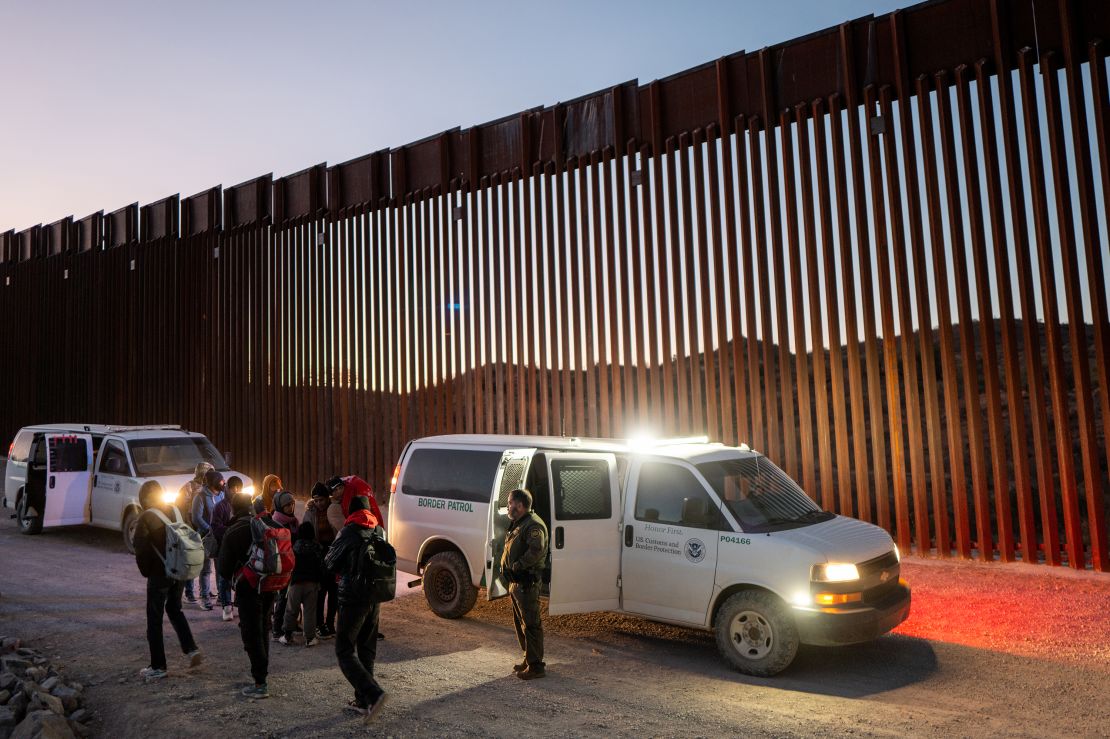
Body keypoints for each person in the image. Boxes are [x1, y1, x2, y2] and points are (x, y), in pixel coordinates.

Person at [325, 496, 388, 721]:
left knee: (344, 650)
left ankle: (373, 694)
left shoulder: (349, 531)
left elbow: (329, 562)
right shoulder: (379, 530)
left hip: (353, 598)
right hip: (375, 598)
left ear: (350, 511)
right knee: (366, 648)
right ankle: (364, 701)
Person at [133, 487, 203, 680]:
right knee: (174, 608)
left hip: (159, 574)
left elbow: (140, 549)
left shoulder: (146, 517)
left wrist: (147, 572)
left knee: (154, 619)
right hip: (179, 571)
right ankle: (191, 649)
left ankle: (158, 666)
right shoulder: (176, 510)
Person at [219, 500, 279, 699]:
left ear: (233, 509)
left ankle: (260, 682)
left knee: (252, 633)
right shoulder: (269, 524)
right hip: (270, 585)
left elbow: (224, 570)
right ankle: (261, 674)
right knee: (263, 627)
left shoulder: (234, 531)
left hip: (248, 588)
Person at [501, 488, 549, 680]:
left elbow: (536, 550)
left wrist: (518, 566)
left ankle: (536, 666)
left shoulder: (533, 525)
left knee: (531, 624)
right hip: (517, 583)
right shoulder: (519, 523)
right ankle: (528, 659)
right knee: (521, 624)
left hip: (526, 583)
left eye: (510, 502)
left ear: (520, 506)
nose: (508, 505)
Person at [280, 521, 325, 646]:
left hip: (295, 583)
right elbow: (322, 567)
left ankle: (287, 635)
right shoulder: (317, 548)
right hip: (312, 583)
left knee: (291, 610)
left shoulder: (294, 547)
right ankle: (310, 638)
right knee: (310, 611)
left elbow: (289, 565)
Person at [211, 477, 248, 622]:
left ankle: (237, 602)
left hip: (240, 548)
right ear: (228, 489)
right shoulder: (220, 506)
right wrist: (231, 532)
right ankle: (226, 606)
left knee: (240, 575)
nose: (236, 491)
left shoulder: (244, 504)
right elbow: (214, 527)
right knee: (224, 577)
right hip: (224, 547)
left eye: (239, 488)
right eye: (233, 488)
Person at [304, 482, 338, 638]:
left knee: (334, 591)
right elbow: (307, 533)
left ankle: (330, 623)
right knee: (321, 591)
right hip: (319, 555)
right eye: (316, 500)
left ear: (327, 498)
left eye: (321, 500)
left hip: (334, 553)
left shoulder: (334, 509)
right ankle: (319, 623)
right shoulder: (310, 512)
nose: (319, 503)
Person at [190, 470, 226, 611]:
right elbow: (196, 518)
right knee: (205, 569)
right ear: (214, 483)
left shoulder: (222, 495)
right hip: (205, 538)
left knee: (220, 568)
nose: (223, 483)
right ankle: (204, 598)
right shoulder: (200, 497)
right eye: (221, 480)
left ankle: (221, 596)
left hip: (219, 536)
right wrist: (209, 529)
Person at [178, 461, 214, 604]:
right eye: (207, 473)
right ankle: (189, 592)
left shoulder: (209, 488)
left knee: (206, 562)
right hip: (191, 528)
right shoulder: (189, 487)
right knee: (192, 562)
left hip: (203, 529)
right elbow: (181, 507)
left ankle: (204, 590)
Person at [270, 491, 299, 641]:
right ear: (279, 506)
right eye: (286, 505)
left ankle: (292, 623)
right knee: (282, 597)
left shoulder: (293, 521)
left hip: (293, 562)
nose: (290, 507)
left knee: (293, 595)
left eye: (292, 504)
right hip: (282, 564)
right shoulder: (276, 521)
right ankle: (277, 628)